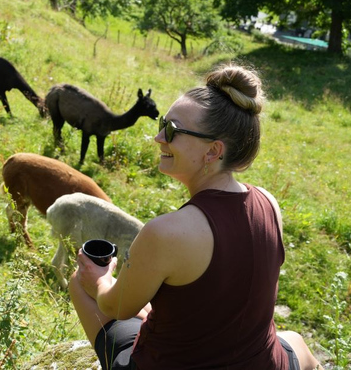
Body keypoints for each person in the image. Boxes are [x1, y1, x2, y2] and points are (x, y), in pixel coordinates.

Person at [68, 63, 322, 370]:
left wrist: (99, 280)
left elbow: (115, 306)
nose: (159, 137)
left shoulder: (166, 233)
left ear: (213, 152)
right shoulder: (269, 203)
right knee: (293, 339)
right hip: (266, 364)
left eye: (172, 130)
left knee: (80, 282)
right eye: (163, 124)